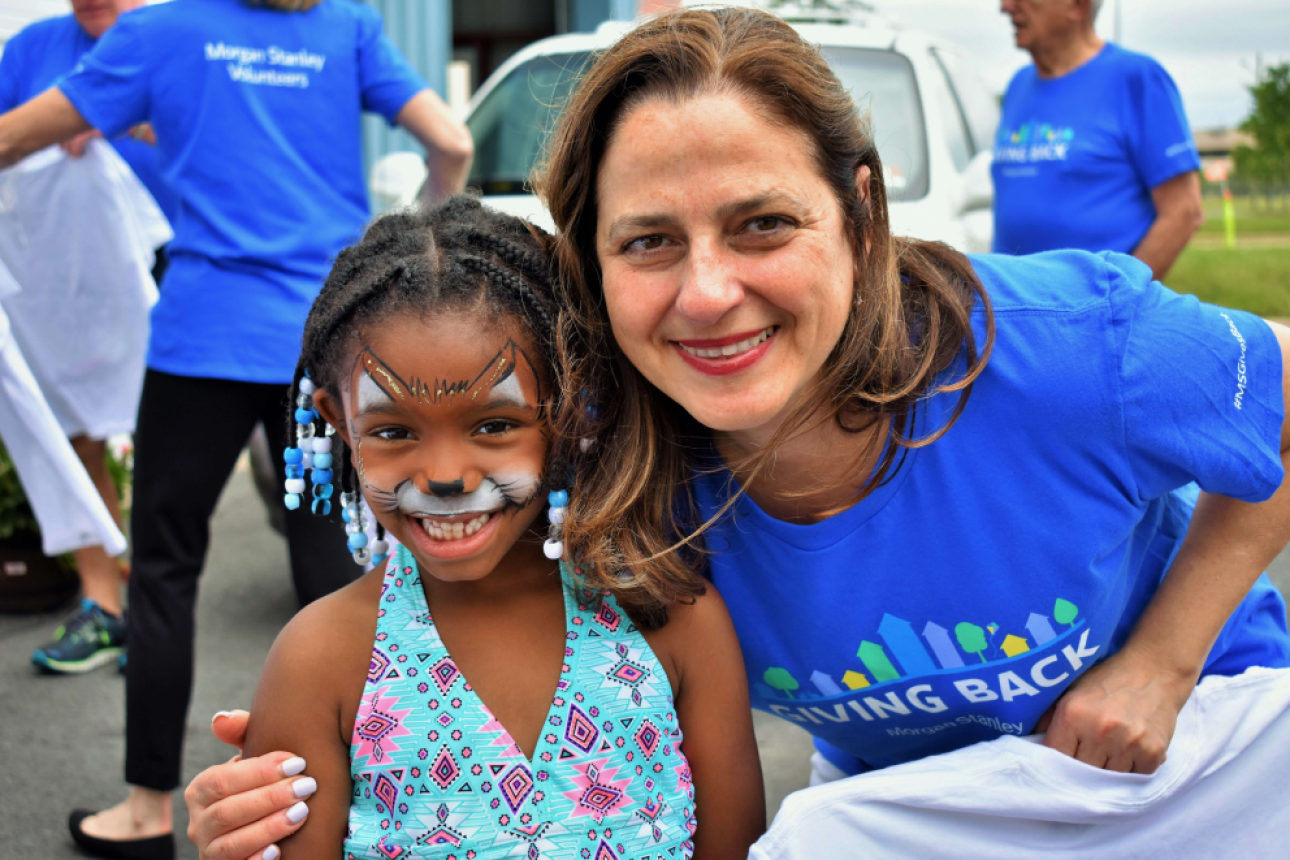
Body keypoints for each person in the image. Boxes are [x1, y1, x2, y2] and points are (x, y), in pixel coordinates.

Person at [186, 8, 1290, 858]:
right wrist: (286, 768)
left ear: (860, 211)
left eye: (762, 223)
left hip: (1204, 750)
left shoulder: (1065, 341)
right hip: (930, 814)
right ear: (592, 261)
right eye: (651, 241)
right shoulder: (599, 444)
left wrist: (1161, 660)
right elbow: (453, 579)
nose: (709, 294)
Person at [0, 0, 473, 856]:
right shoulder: (350, 28)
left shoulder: (160, 31)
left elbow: (12, 137)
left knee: (166, 569)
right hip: (322, 344)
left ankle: (146, 812)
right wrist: (418, 247)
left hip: (204, 340)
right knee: (338, 574)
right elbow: (452, 143)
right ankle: (374, 805)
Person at [240, 196, 764, 859]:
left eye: (494, 425)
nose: (446, 476)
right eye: (394, 431)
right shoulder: (320, 660)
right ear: (340, 423)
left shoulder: (673, 618)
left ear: (568, 406)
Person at [0, 0, 174, 676]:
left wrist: (114, 119)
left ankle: (160, 610)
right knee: (78, 429)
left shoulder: (176, 36)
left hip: (176, 261)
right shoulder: (33, 48)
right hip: (66, 280)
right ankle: (103, 605)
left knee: (173, 440)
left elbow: (214, 133)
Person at [993, 0, 1204, 278]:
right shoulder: (1018, 85)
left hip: (1093, 316)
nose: (1006, 7)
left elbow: (1184, 212)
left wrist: (1114, 302)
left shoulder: (1136, 78)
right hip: (1013, 310)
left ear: (1077, 6)